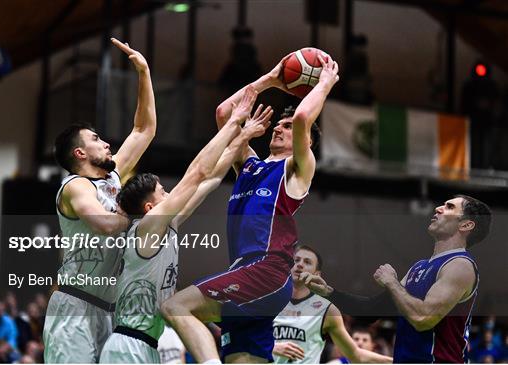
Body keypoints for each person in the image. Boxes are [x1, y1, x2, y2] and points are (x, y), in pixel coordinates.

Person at [161, 53, 340, 364]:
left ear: (306, 141)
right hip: (244, 270)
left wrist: (323, 84)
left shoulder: (296, 169)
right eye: (278, 125)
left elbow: (301, 119)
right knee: (242, 358)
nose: (278, 129)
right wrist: (269, 79)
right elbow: (225, 113)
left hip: (266, 270)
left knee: (175, 306)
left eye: (286, 127)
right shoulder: (251, 166)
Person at [99, 86, 271, 363]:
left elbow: (209, 179)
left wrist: (244, 137)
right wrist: (232, 124)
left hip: (145, 345)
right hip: (128, 345)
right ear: (150, 208)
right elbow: (197, 171)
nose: (170, 194)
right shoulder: (147, 227)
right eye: (163, 192)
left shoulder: (167, 224)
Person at [43, 38, 157, 363]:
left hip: (107, 309)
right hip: (74, 306)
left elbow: (144, 128)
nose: (107, 143)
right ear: (80, 153)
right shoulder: (75, 186)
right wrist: (147, 215)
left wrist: (144, 72)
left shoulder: (113, 177)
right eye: (96, 139)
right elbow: (106, 223)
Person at [301, 195, 492, 363]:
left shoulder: (460, 265)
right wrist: (329, 292)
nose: (438, 208)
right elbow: (370, 311)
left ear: (466, 225)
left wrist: (392, 282)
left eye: (450, 207)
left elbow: (423, 319)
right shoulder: (419, 267)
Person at [272, 245, 392, 364]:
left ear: (317, 274)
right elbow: (252, 341)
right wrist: (272, 347)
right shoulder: (265, 302)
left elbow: (356, 355)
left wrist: (398, 361)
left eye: (307, 262)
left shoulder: (327, 310)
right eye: (296, 260)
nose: (300, 264)